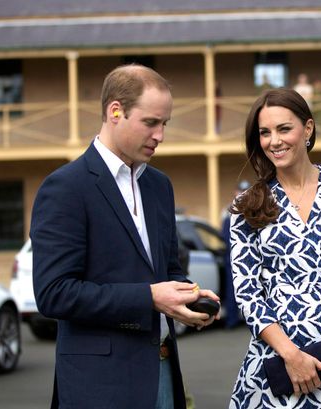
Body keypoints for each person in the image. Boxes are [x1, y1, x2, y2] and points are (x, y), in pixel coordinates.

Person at [31, 64, 219, 409]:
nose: (160, 135)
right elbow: (53, 294)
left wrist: (188, 296)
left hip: (163, 374)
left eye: (165, 124)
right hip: (99, 386)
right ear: (115, 111)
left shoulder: (159, 185)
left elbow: (167, 271)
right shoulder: (65, 187)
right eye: (150, 122)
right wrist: (149, 297)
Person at [228, 88, 321, 408]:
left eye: (284, 129)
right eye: (265, 133)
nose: (274, 141)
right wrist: (291, 355)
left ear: (307, 129)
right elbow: (247, 293)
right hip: (276, 363)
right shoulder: (248, 206)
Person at [220, 179, 250, 329]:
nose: (243, 194)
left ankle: (250, 322)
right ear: (235, 192)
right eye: (241, 191)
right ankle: (232, 320)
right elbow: (225, 237)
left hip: (250, 257)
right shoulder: (229, 211)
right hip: (233, 256)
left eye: (246, 191)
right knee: (233, 289)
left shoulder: (255, 208)